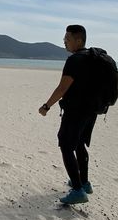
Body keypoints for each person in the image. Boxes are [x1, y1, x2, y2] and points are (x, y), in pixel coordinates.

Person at [39, 24, 97, 205]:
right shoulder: (93, 59)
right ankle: (84, 183)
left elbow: (62, 88)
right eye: (64, 39)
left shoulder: (74, 60)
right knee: (79, 143)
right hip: (92, 110)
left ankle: (78, 190)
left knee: (65, 144)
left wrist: (46, 106)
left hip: (76, 111)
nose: (65, 42)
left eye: (68, 39)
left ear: (79, 40)